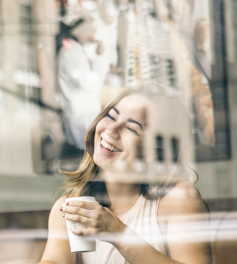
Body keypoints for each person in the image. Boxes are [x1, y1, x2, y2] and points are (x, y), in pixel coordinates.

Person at [39, 90, 212, 263]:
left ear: (156, 149)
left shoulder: (179, 199)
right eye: (111, 116)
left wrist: (117, 232)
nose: (111, 129)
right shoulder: (70, 206)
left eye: (131, 128)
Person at [58, 16, 109, 150]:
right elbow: (92, 85)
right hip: (82, 119)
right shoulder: (71, 55)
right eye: (92, 32)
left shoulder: (75, 52)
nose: (93, 37)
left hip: (84, 117)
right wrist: (99, 57)